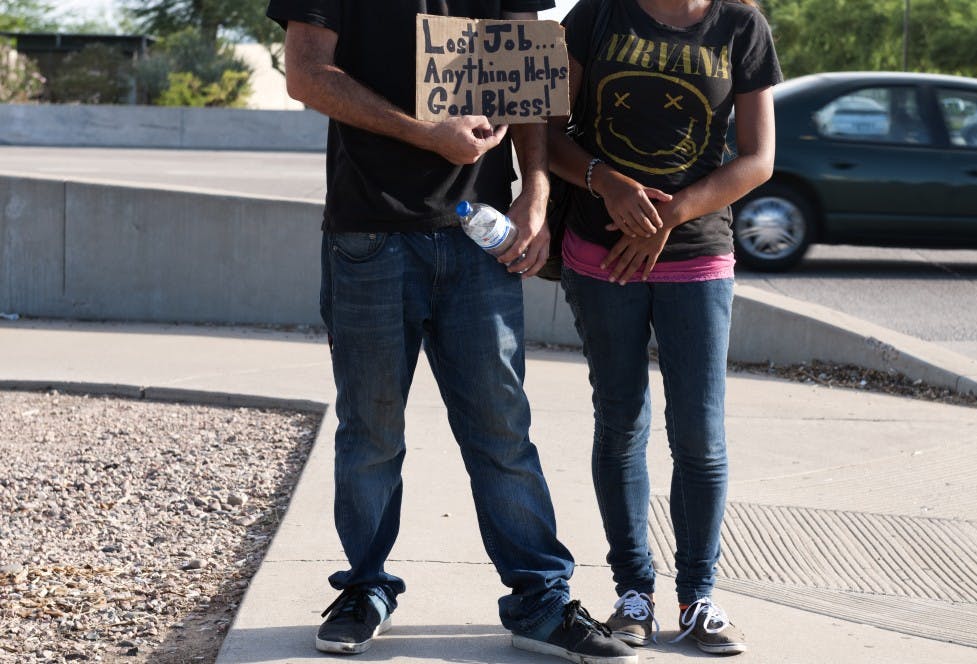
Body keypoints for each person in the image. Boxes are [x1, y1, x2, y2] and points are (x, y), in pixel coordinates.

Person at [264, 1, 636, 662]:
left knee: (502, 432)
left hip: (480, 237)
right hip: (369, 233)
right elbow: (306, 74)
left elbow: (528, 82)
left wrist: (536, 194)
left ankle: (541, 601)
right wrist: (426, 133)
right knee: (370, 432)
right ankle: (364, 587)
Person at [548, 0, 781, 655]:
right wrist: (607, 183)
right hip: (600, 252)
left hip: (697, 252)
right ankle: (633, 594)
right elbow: (549, 130)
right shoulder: (594, 16)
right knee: (621, 422)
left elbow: (758, 158)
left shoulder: (741, 25)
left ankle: (699, 597)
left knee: (700, 437)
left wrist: (670, 215)